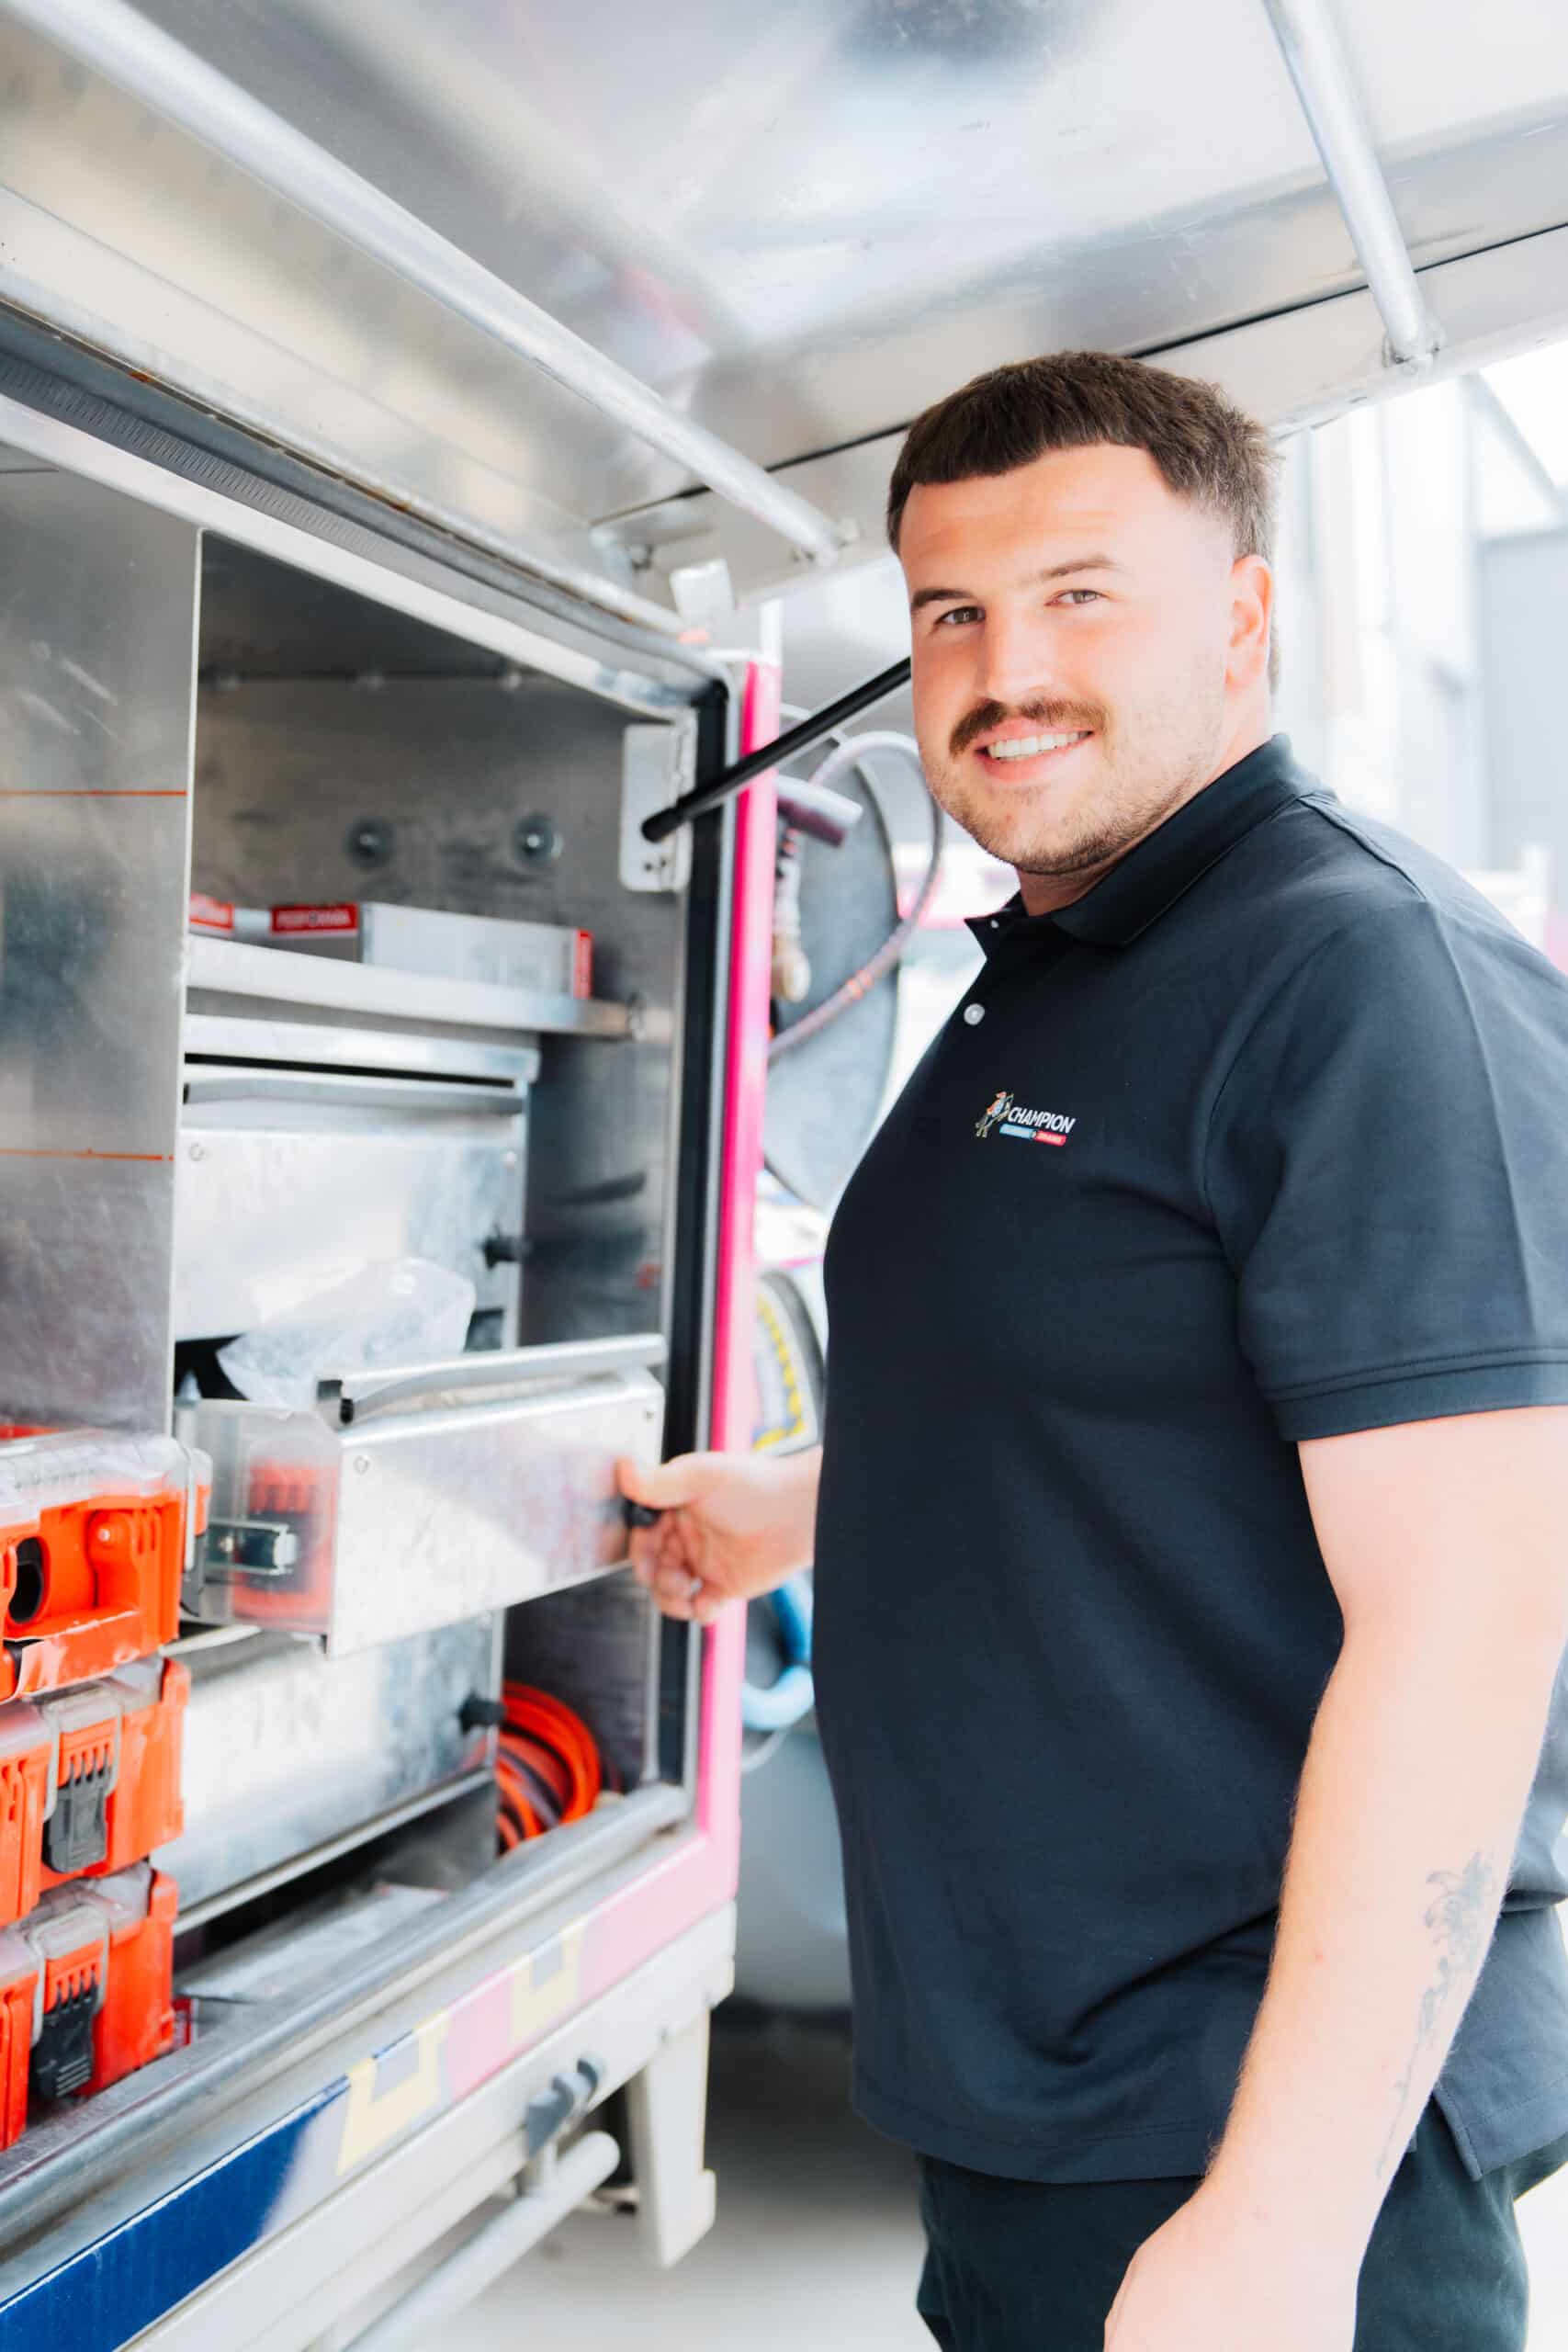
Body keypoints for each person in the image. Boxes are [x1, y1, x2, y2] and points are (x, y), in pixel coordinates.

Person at [619, 350, 1568, 2351]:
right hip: (1032, 2101)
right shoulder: (1058, 965)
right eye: (949, 609)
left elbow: (1470, 1618)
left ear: (1241, 616)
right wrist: (792, 1512)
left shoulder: (1356, 975)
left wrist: (1279, 2226)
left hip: (1243, 2139)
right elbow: (1098, 1410)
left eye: (1075, 593)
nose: (999, 666)